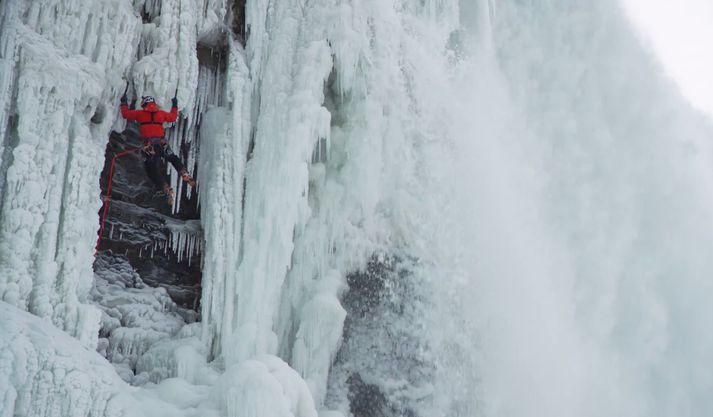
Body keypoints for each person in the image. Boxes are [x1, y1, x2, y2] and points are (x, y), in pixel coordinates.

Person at [120, 92, 196, 204]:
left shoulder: (140, 114)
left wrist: (124, 102)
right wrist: (174, 105)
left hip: (150, 147)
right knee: (173, 158)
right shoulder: (161, 114)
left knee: (151, 169)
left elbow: (125, 114)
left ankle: (164, 186)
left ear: (144, 104)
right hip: (161, 143)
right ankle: (184, 173)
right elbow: (173, 117)